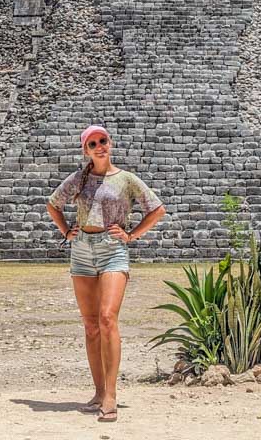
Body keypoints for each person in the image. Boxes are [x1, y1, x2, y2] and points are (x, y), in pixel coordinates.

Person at [46, 124, 167, 424]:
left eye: (103, 141)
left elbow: (157, 209)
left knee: (107, 318)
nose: (99, 146)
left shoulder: (125, 179)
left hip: (113, 249)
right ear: (85, 150)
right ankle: (99, 392)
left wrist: (132, 235)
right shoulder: (79, 178)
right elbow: (53, 205)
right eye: (92, 144)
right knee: (90, 325)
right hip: (82, 252)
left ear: (110, 143)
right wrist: (66, 231)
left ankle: (111, 395)